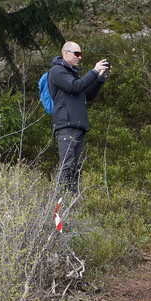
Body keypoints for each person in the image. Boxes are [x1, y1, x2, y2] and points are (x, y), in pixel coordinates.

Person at [48, 41, 110, 193]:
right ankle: (59, 200)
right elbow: (75, 87)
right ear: (66, 53)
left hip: (79, 127)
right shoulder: (57, 71)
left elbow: (87, 95)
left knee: (76, 168)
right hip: (66, 126)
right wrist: (94, 71)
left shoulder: (73, 74)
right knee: (67, 165)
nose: (79, 57)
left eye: (81, 54)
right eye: (77, 53)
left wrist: (100, 78)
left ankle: (72, 199)